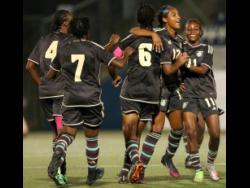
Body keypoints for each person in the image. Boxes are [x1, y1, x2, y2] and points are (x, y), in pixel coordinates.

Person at [46, 16, 134, 186]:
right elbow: (119, 64)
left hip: (70, 99)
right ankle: (92, 174)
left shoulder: (64, 49)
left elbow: (51, 74)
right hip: (91, 99)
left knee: (68, 134)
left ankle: (59, 151)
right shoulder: (93, 48)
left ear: (72, 31)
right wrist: (126, 54)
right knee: (91, 137)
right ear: (88, 31)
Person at [130, 4, 188, 177]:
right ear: (164, 19)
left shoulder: (180, 40)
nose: (178, 17)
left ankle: (167, 158)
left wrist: (181, 80)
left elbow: (179, 68)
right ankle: (140, 171)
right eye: (174, 15)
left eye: (178, 14)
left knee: (178, 129)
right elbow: (134, 30)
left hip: (173, 88)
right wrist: (153, 34)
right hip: (159, 88)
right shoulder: (158, 34)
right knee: (157, 129)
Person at [114, 3, 166, 184]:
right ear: (153, 19)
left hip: (132, 91)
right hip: (151, 93)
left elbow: (115, 54)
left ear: (137, 19)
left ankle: (127, 168)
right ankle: (130, 168)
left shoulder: (131, 37)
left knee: (130, 135)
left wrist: (116, 51)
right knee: (136, 135)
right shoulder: (162, 37)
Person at [26, 9, 73, 180]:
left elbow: (30, 66)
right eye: (71, 20)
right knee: (63, 132)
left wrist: (41, 83)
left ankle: (61, 169)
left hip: (45, 94)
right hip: (60, 94)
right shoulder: (69, 40)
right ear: (65, 23)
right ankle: (59, 171)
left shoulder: (43, 40)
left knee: (56, 132)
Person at [181, 18, 221, 182]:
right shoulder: (181, 48)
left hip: (206, 94)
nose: (191, 32)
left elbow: (203, 69)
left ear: (200, 32)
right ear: (185, 32)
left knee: (215, 134)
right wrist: (178, 83)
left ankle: (210, 164)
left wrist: (185, 63)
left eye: (195, 29)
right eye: (189, 29)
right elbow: (173, 68)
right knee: (191, 131)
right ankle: (198, 168)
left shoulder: (207, 48)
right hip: (189, 95)